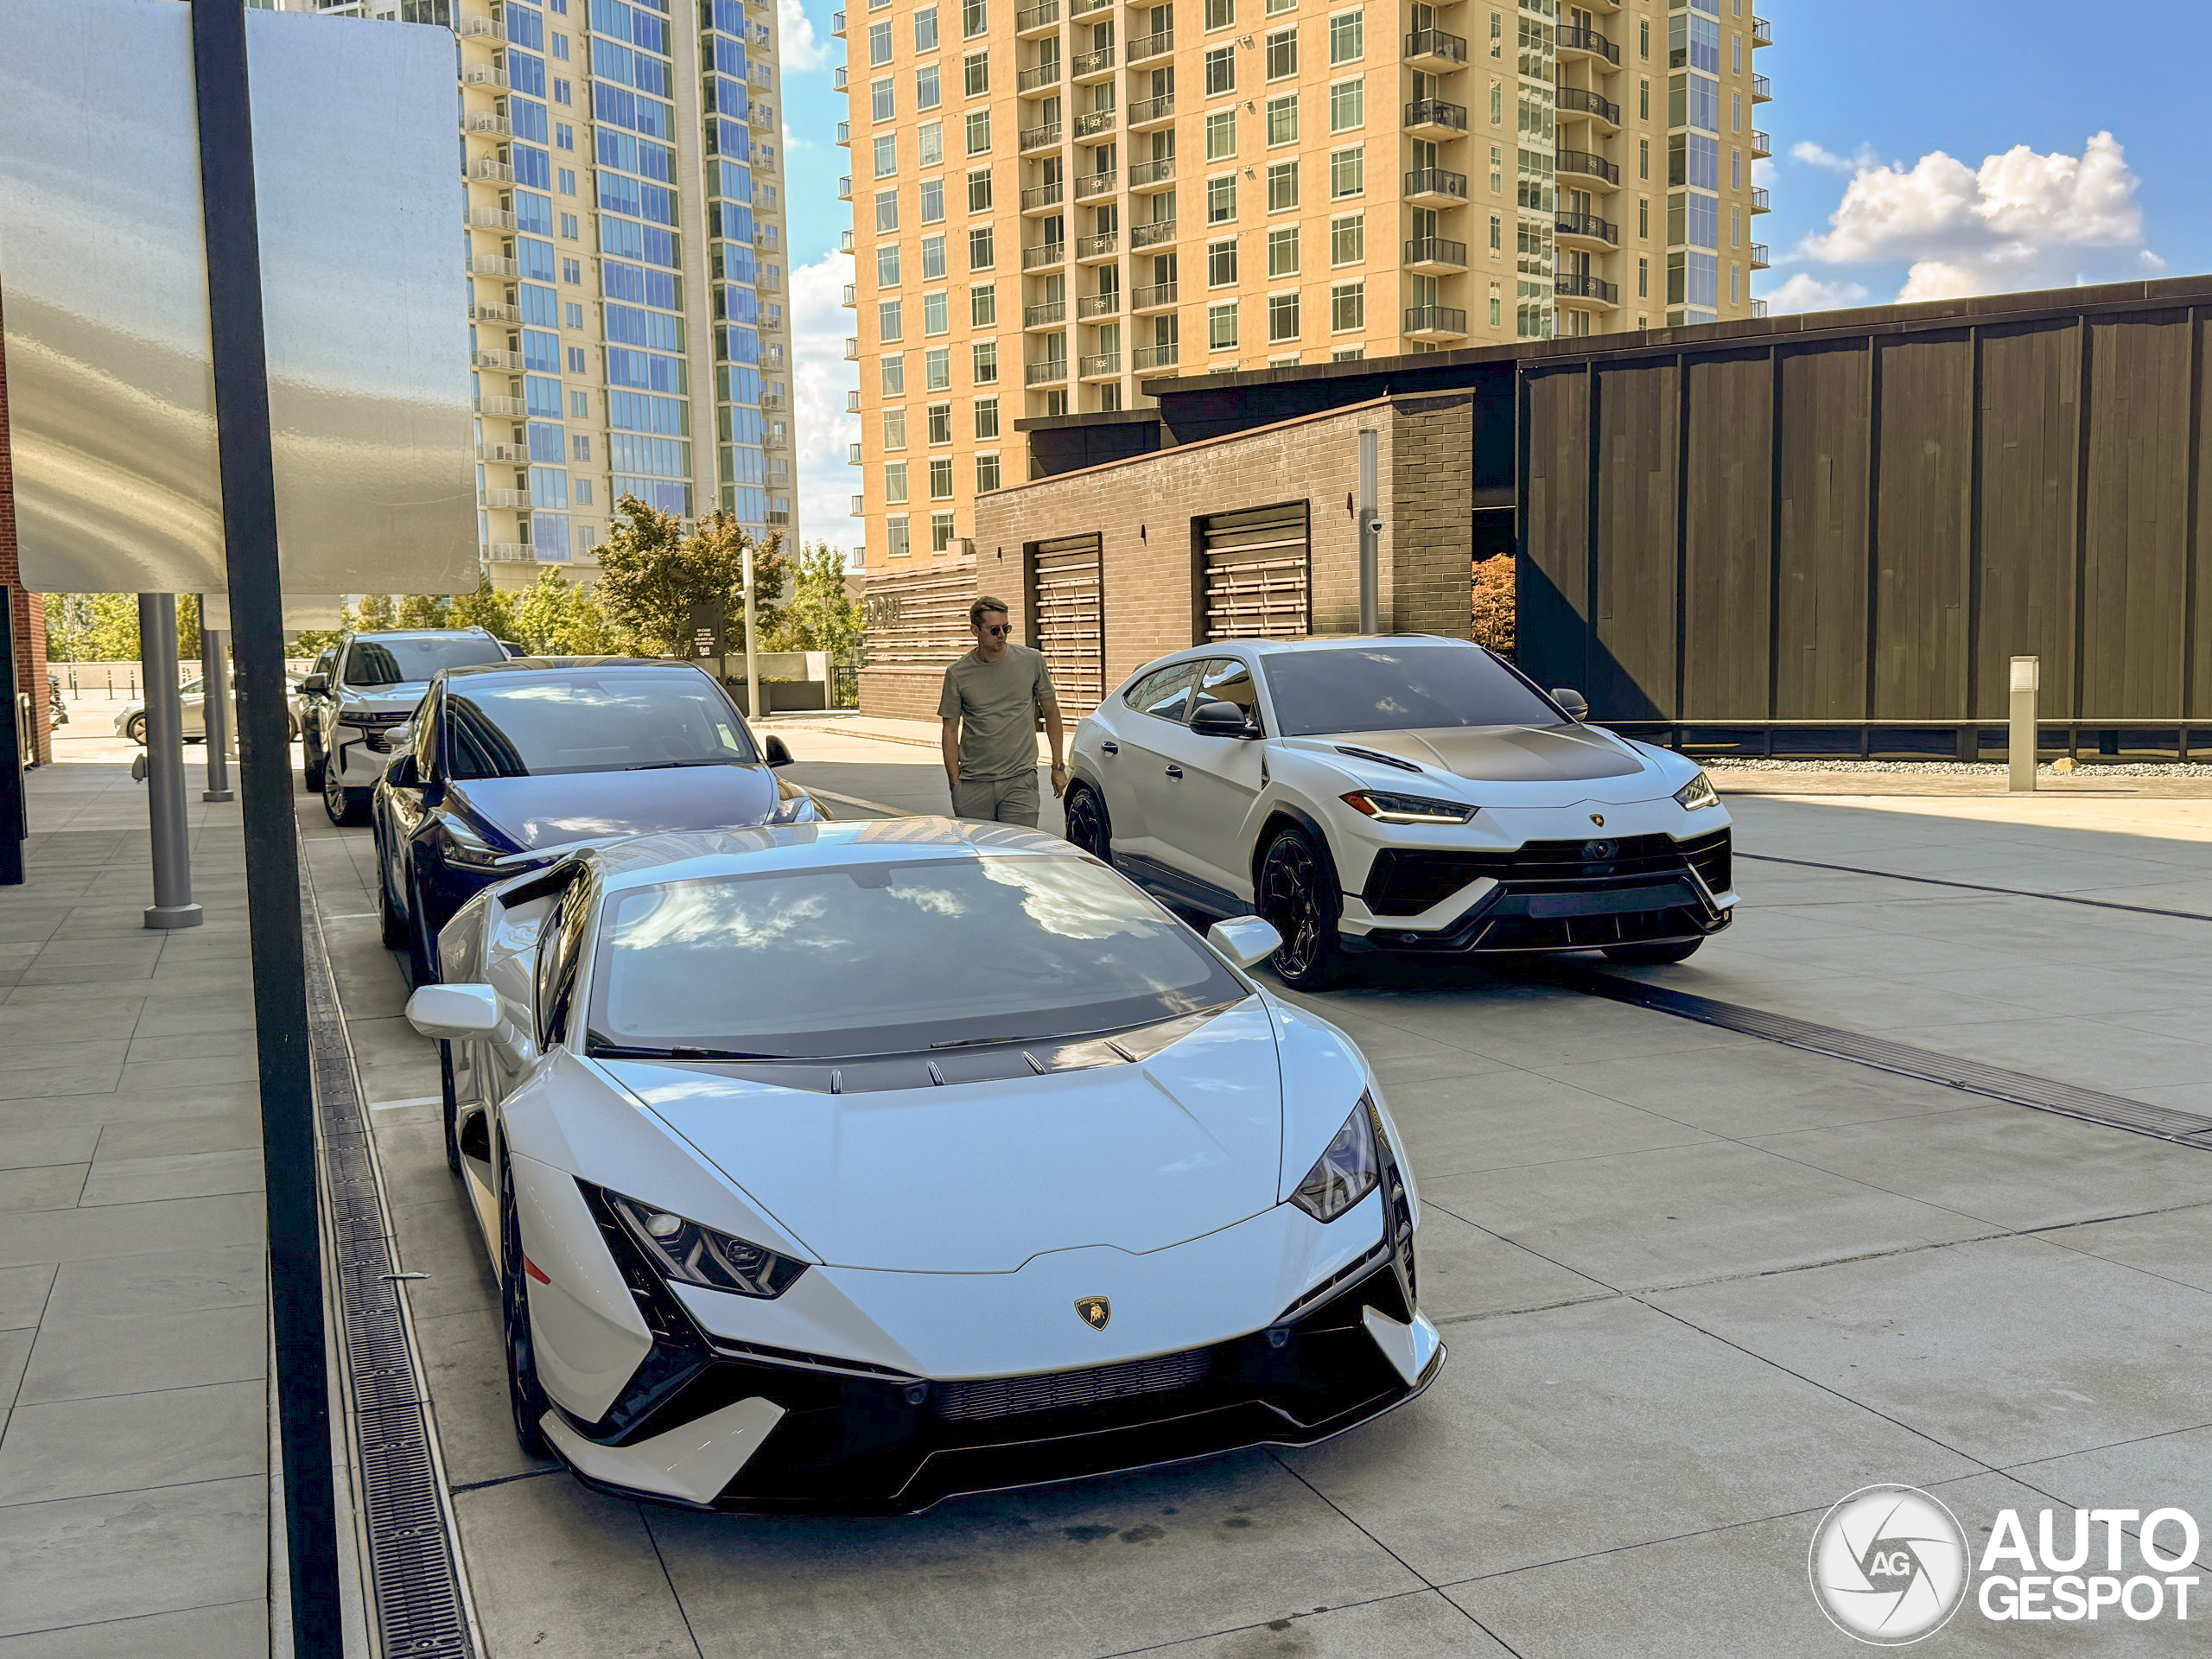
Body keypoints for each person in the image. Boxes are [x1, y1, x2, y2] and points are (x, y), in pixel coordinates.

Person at [938, 596, 1065, 825]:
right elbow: (949, 730)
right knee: (982, 855)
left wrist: (1058, 766)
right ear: (975, 630)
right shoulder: (958, 673)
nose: (1002, 635)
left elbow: (1051, 712)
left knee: (1020, 853)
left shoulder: (1031, 660)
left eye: (1006, 628)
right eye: (994, 629)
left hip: (1020, 779)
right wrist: (955, 782)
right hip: (973, 783)